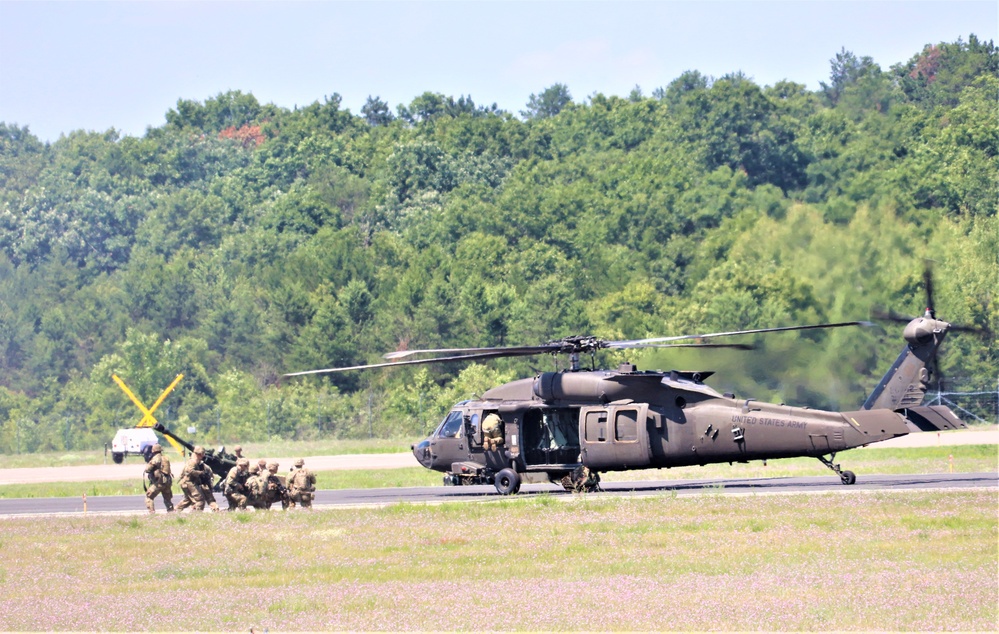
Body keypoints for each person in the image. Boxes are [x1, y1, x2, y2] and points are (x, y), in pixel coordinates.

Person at [175, 446, 220, 512]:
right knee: (199, 500)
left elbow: (209, 473)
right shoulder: (192, 462)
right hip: (188, 482)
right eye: (202, 454)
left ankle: (176, 510)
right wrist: (200, 473)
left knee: (189, 500)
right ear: (198, 454)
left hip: (191, 482)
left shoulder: (200, 463)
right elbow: (190, 471)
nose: (203, 456)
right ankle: (197, 514)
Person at [143, 443, 174, 514]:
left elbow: (148, 469)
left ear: (153, 451)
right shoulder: (165, 458)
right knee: (167, 499)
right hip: (167, 482)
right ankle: (171, 512)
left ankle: (152, 512)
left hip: (159, 482)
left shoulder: (156, 458)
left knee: (149, 497)